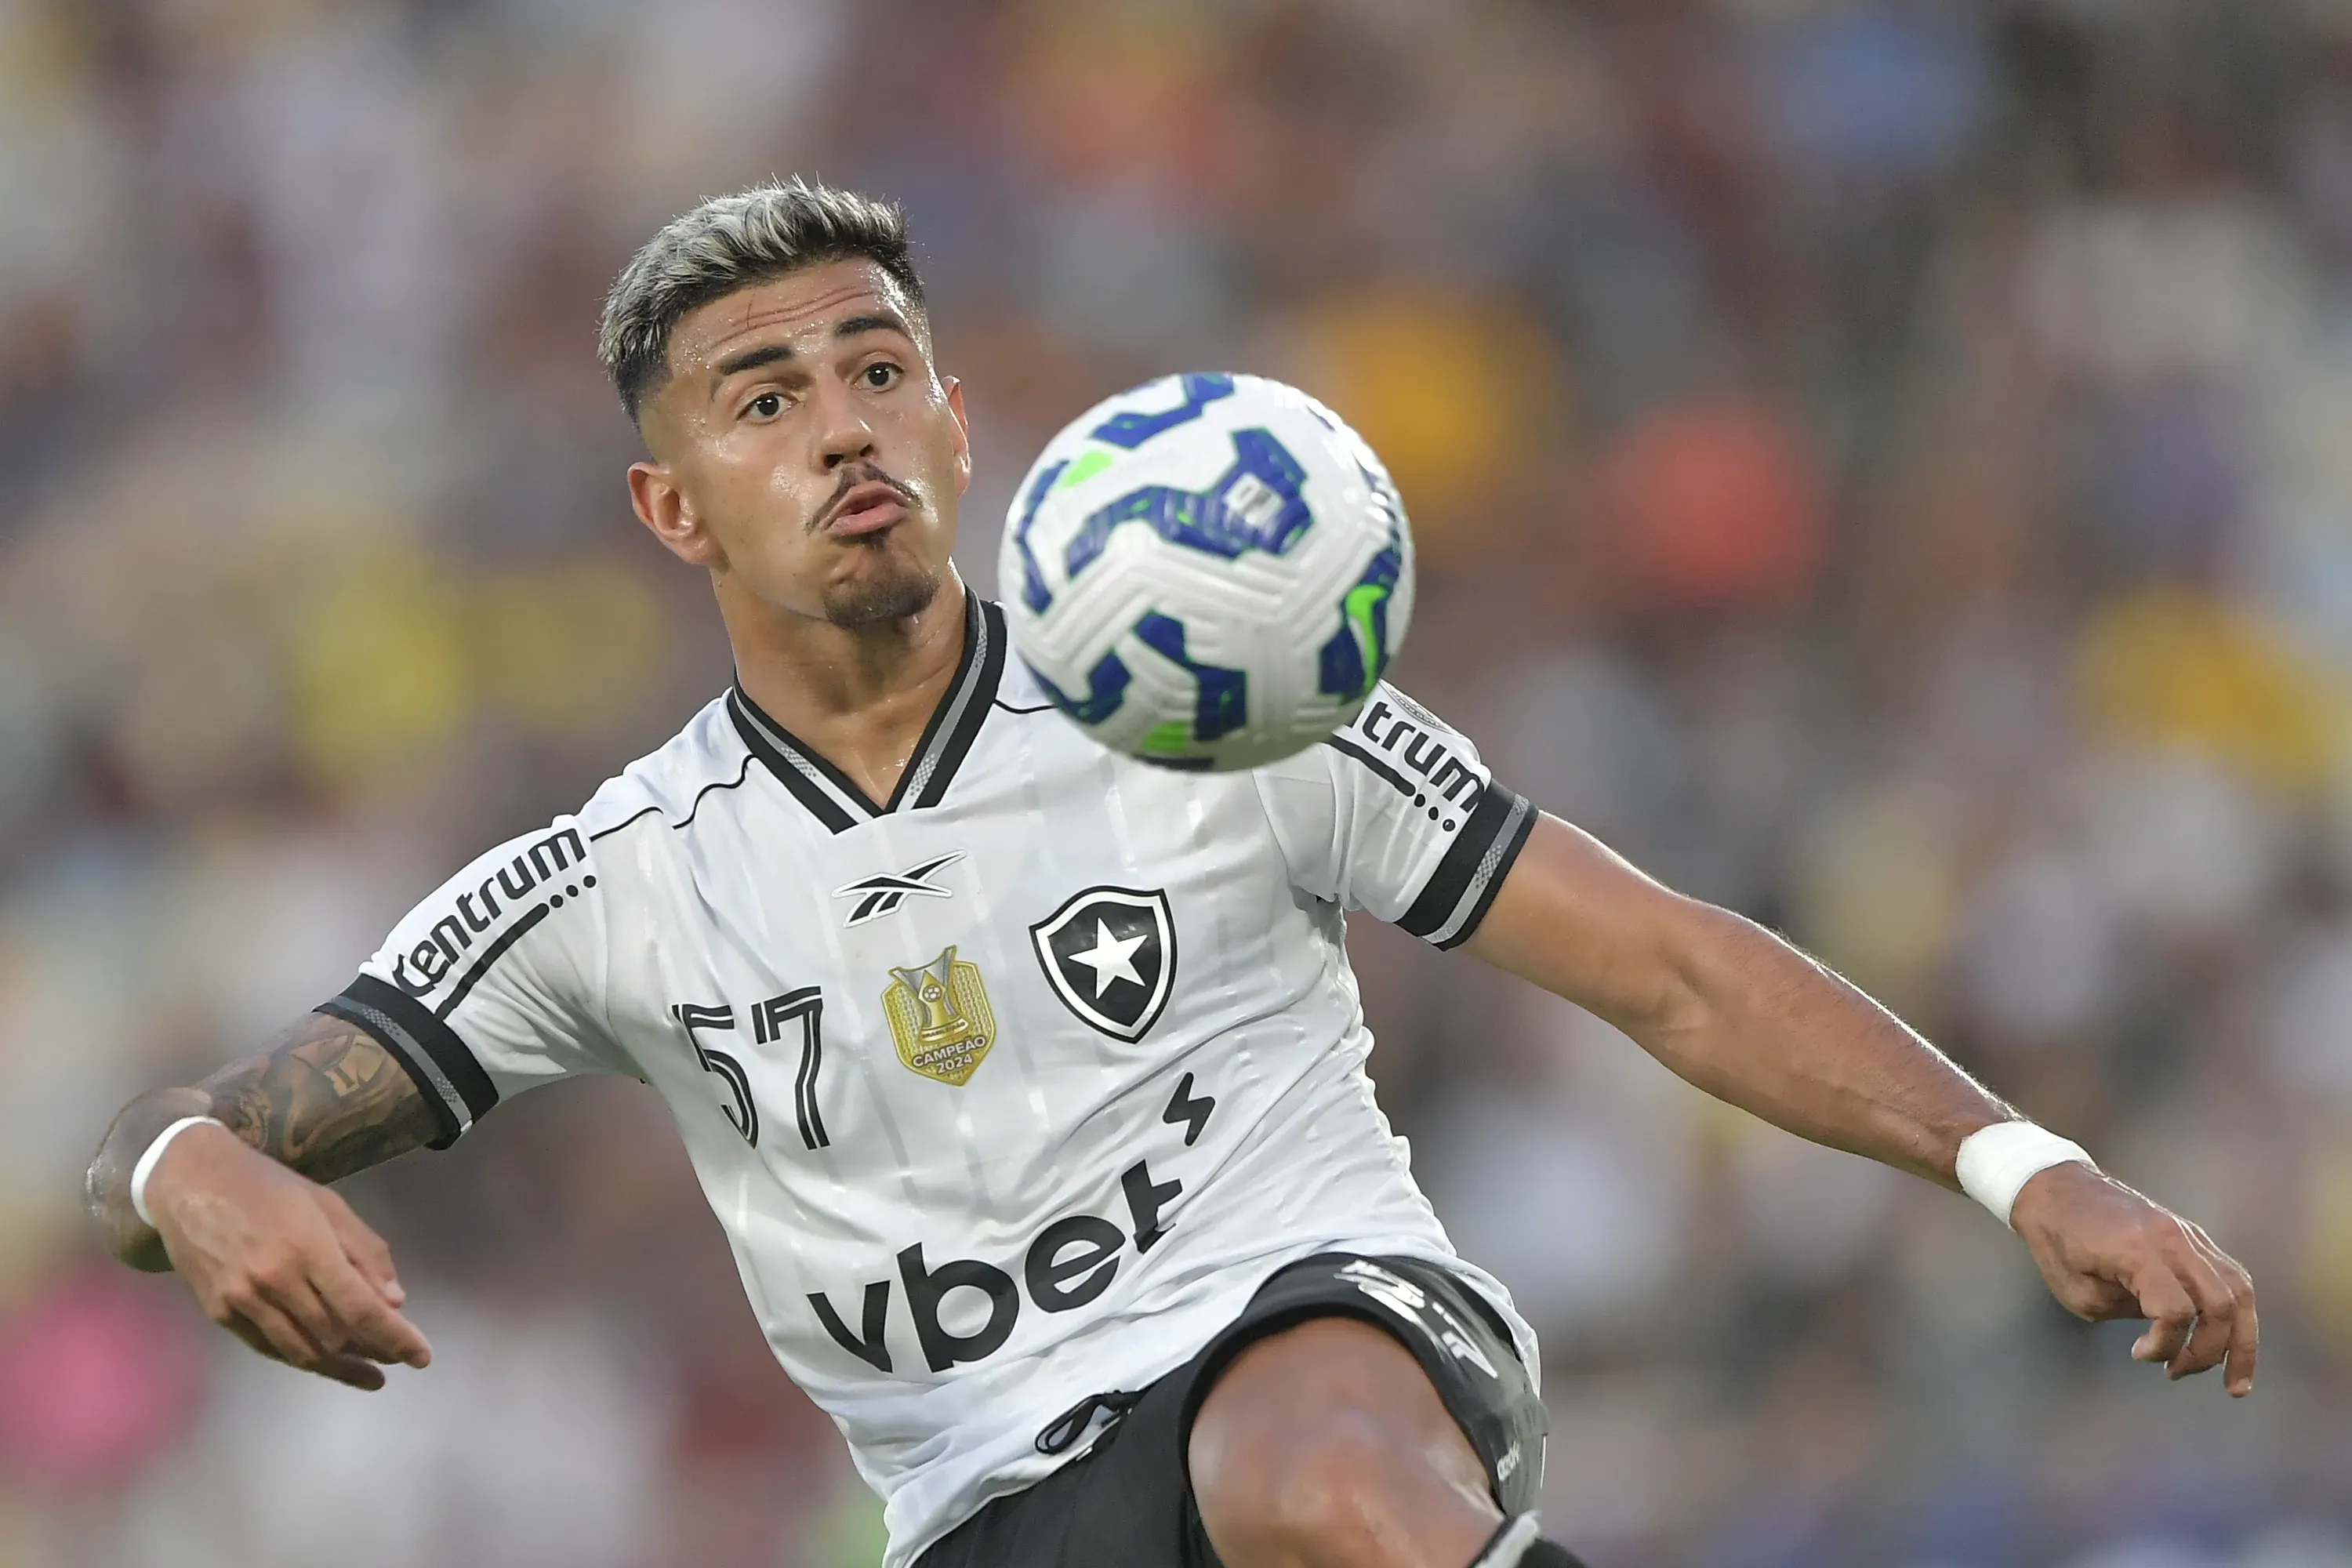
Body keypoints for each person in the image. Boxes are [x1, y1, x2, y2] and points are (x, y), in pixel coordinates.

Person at [85, 180, 2257, 1568]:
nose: (841, 426)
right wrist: (193, 1166)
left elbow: (1669, 969)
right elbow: (173, 1141)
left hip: (1330, 1353)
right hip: (991, 1516)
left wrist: (2018, 1166)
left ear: (953, 426)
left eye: (878, 371)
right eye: (766, 400)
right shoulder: (615, 887)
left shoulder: (1214, 693)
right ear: (671, 511)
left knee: (1307, 1471)